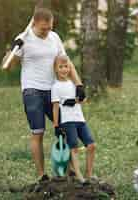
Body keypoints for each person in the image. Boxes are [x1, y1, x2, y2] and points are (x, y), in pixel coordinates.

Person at [1, 8, 85, 182]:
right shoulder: (24, 39)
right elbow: (6, 66)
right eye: (43, 29)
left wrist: (79, 84)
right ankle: (42, 176)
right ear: (34, 24)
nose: (47, 31)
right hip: (33, 91)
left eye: (49, 27)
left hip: (54, 90)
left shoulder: (54, 38)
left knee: (65, 128)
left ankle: (70, 171)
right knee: (38, 132)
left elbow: (66, 62)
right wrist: (12, 49)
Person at [51, 55, 96, 183]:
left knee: (91, 145)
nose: (64, 69)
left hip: (80, 119)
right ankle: (78, 175)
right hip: (67, 121)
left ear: (70, 68)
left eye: (66, 66)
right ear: (55, 69)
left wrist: (78, 99)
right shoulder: (55, 87)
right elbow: (55, 107)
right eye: (61, 67)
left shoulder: (73, 84)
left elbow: (83, 100)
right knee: (74, 147)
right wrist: (56, 125)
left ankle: (89, 174)